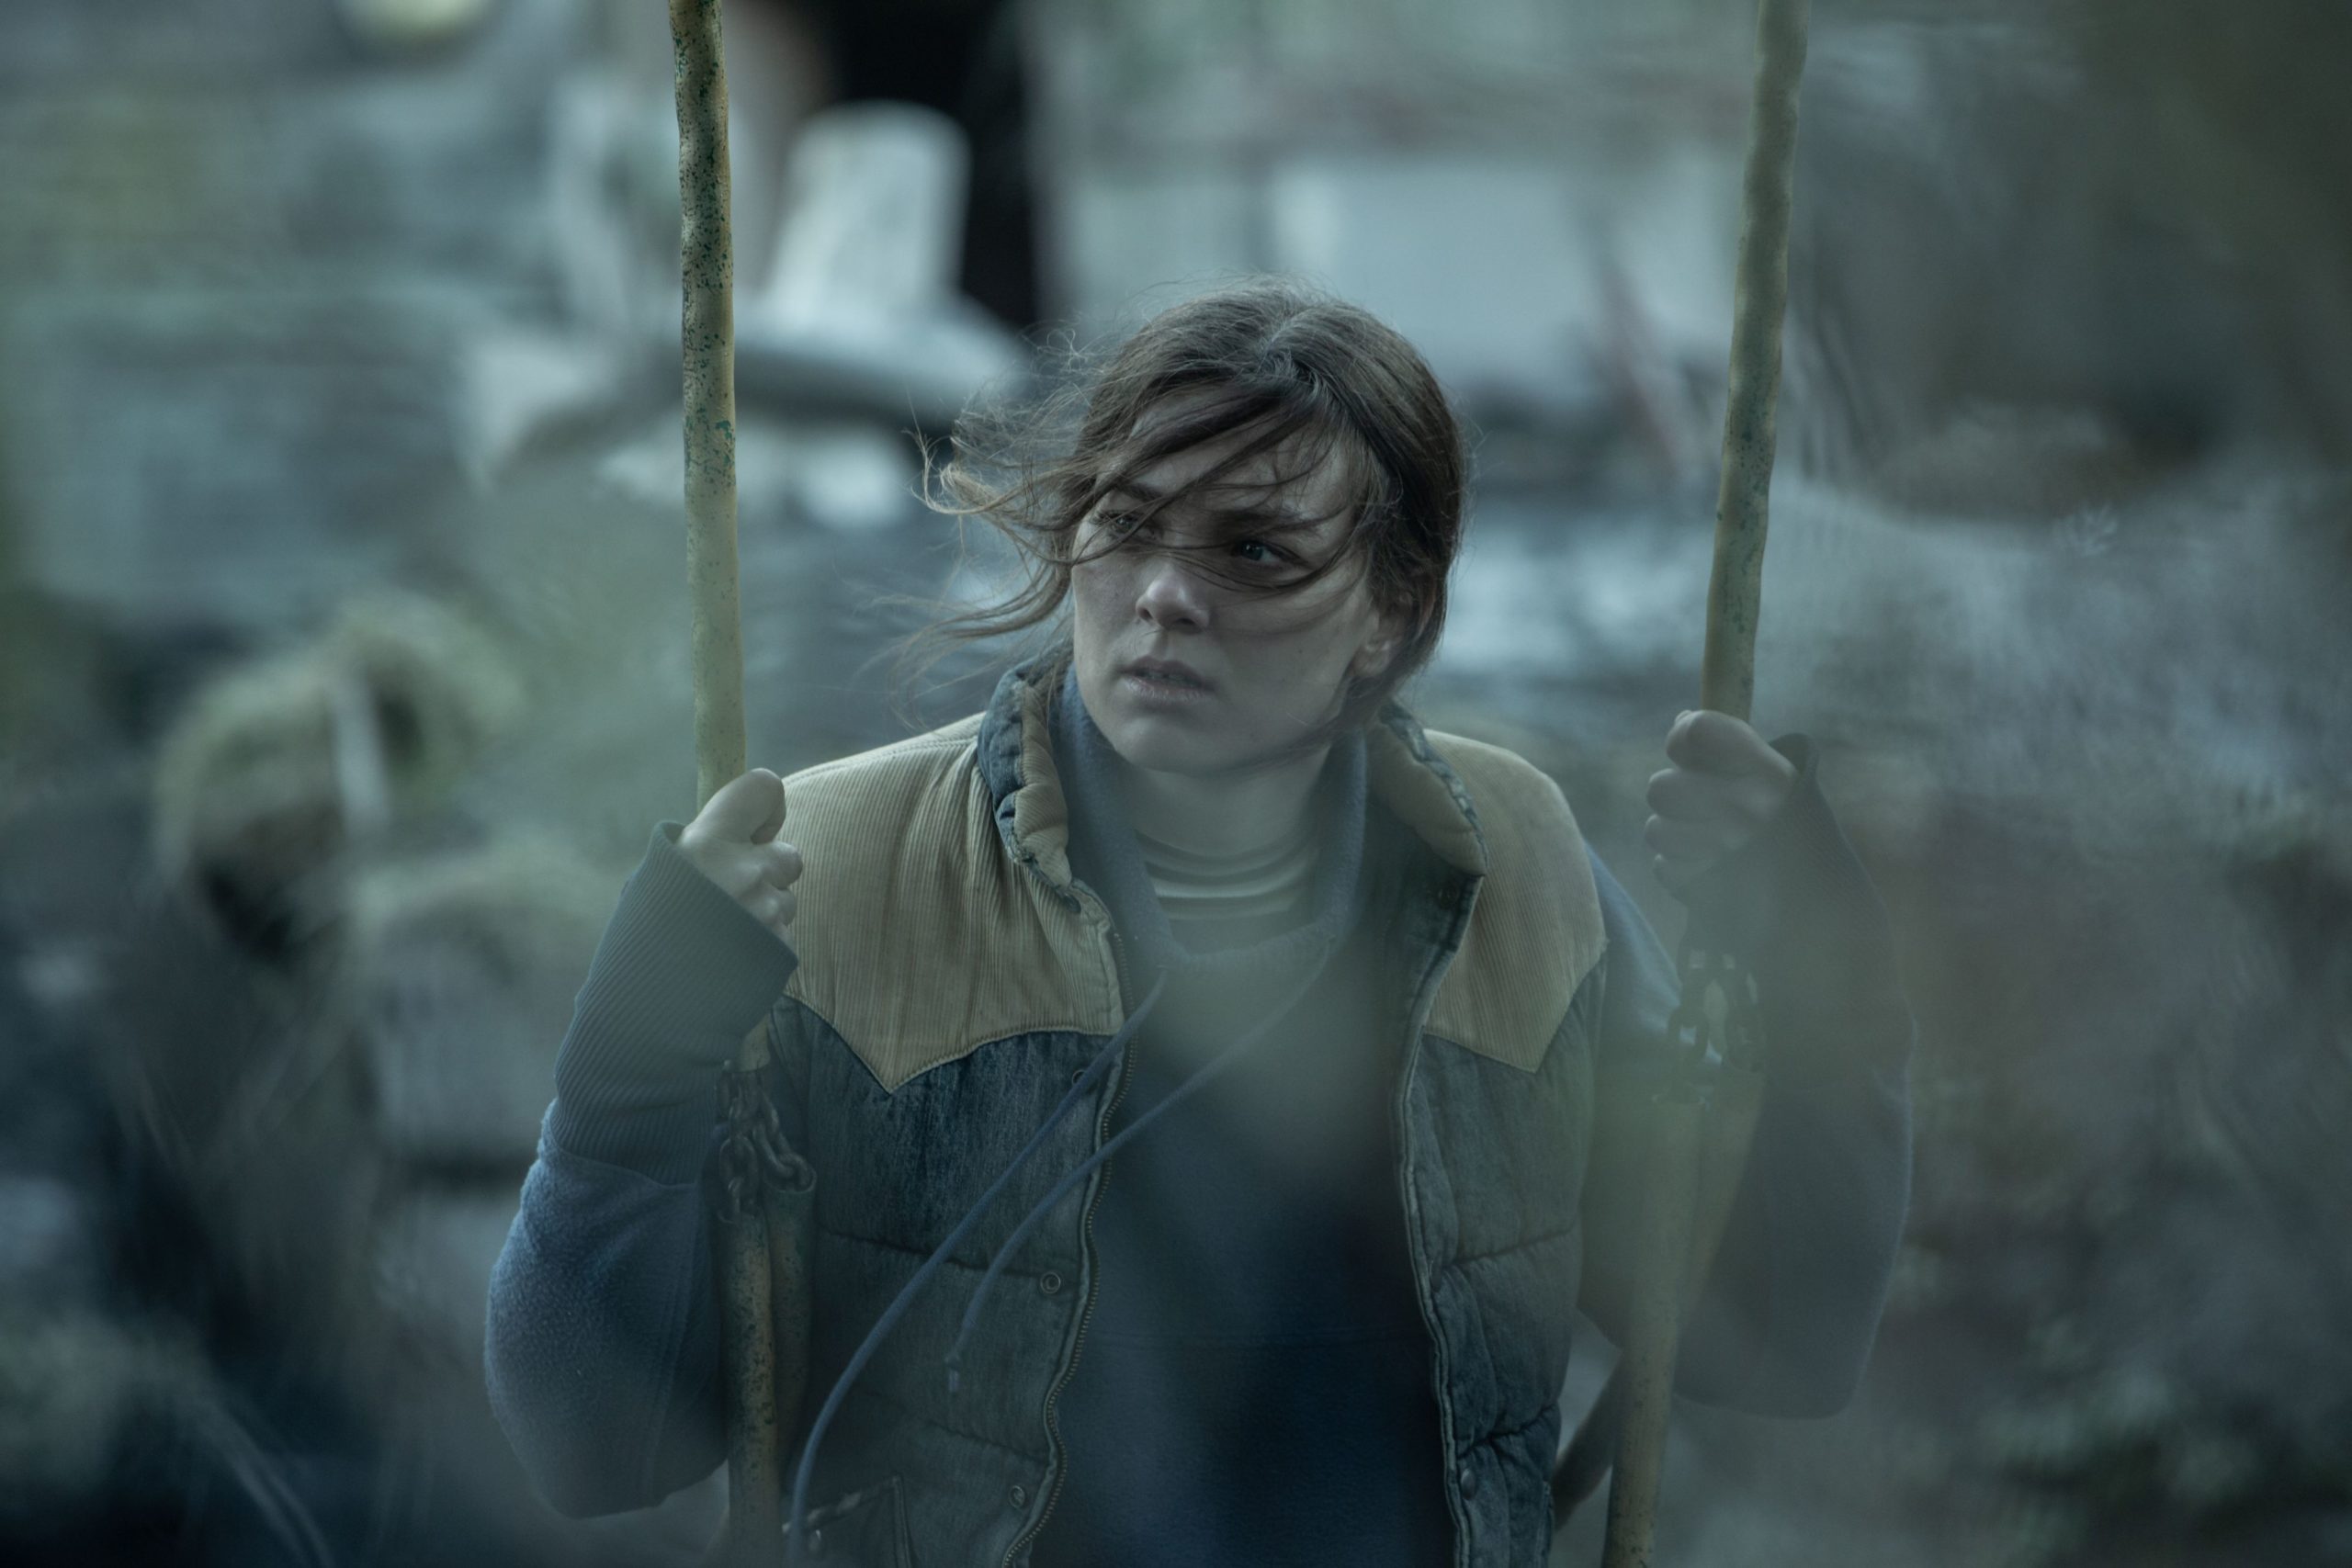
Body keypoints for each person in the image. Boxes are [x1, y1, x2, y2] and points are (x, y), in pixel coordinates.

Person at [484, 282, 1913, 1566]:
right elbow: (595, 1449)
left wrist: (1814, 976)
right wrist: (630, 1074)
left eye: (1257, 552)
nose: (1167, 599)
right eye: (1126, 526)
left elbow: (1775, 1340)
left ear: (1392, 608)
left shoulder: (1515, 872)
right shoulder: (837, 874)